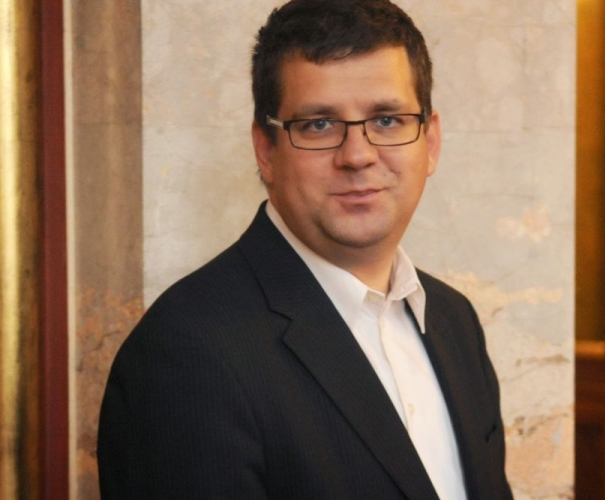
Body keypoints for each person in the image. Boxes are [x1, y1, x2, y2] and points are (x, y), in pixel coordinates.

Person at [97, 0, 514, 499]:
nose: (357, 155)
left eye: (387, 120)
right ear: (266, 151)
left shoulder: (454, 321)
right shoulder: (187, 356)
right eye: (319, 124)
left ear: (431, 141)